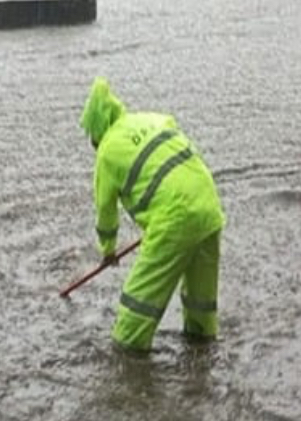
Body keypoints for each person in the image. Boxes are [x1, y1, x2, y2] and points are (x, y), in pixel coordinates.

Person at [79, 77, 225, 351]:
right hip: (208, 204)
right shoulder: (152, 119)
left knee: (137, 303)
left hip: (175, 217)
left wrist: (108, 251)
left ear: (97, 132)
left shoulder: (107, 152)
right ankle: (202, 350)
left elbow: (106, 214)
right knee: (201, 300)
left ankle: (127, 359)